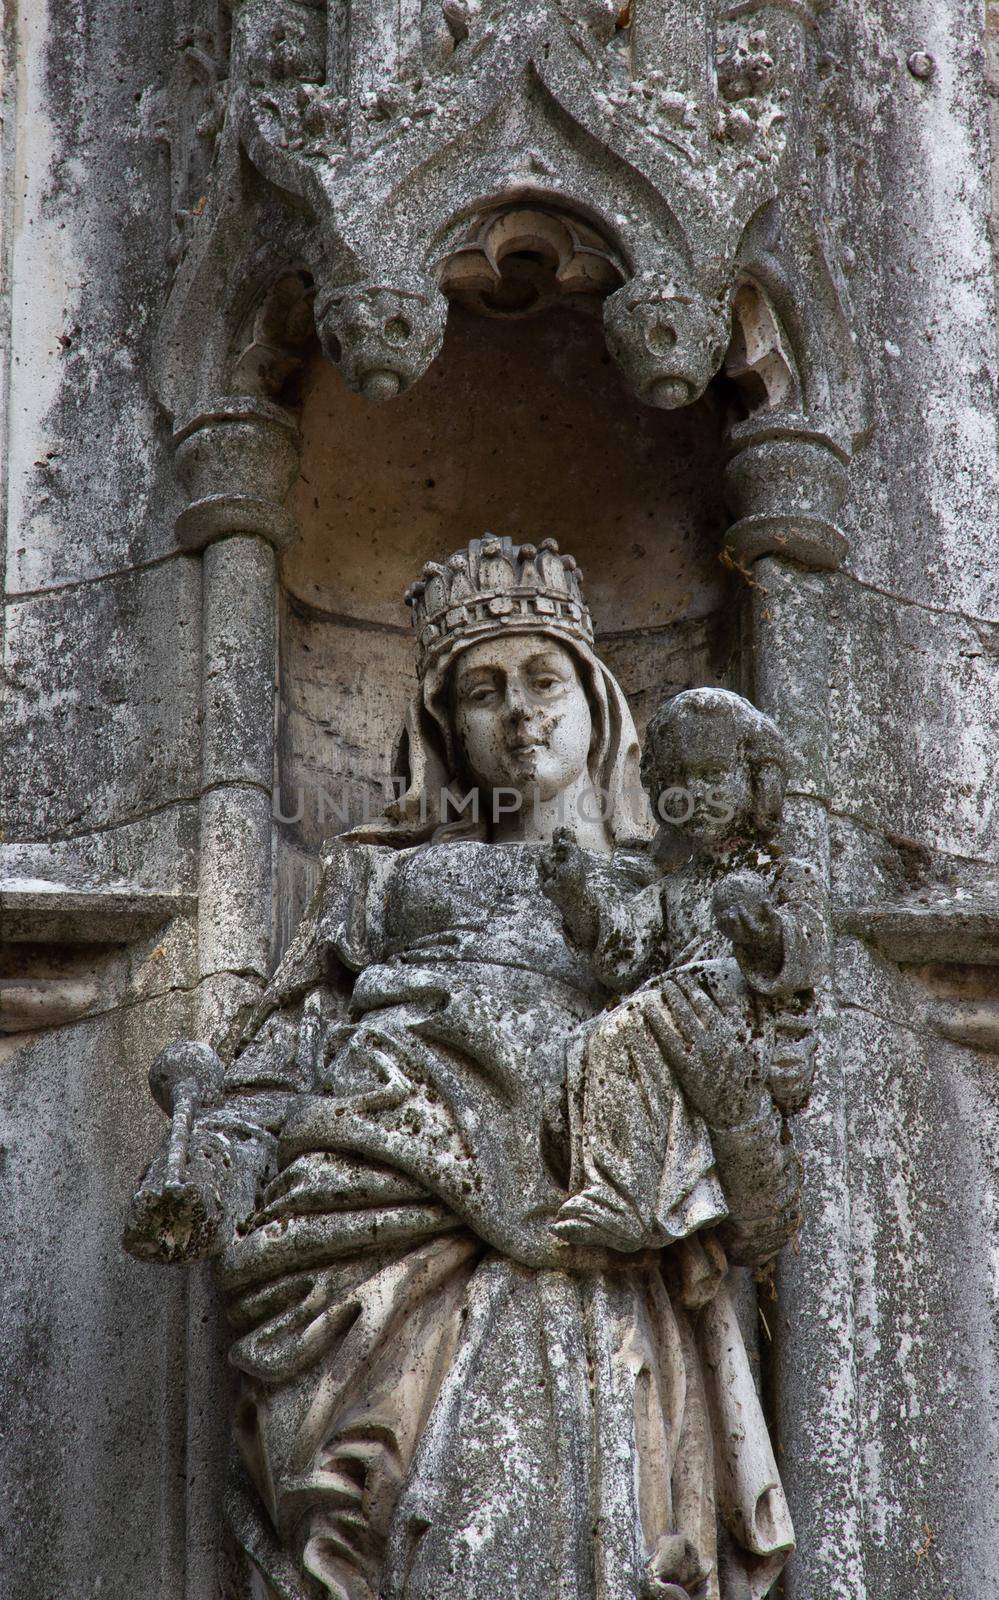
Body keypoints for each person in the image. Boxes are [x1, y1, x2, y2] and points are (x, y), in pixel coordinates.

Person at [125, 537, 798, 1600]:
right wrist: (213, 1155)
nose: (518, 711)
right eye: (483, 692)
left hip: (588, 1248)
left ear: (600, 700)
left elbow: (740, 1077)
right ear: (448, 728)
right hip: (388, 1221)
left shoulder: (665, 893)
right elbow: (288, 1043)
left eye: (543, 679)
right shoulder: (385, 877)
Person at [540, 688, 829, 1257]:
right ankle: (622, 1190)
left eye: (713, 775)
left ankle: (632, 1193)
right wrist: (577, 894)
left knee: (638, 1018)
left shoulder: (781, 872)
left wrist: (763, 931)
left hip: (752, 1035)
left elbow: (809, 946)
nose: (694, 796)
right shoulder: (672, 887)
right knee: (596, 1043)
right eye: (677, 782)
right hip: (680, 1022)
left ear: (757, 780)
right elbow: (624, 951)